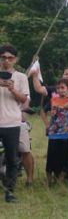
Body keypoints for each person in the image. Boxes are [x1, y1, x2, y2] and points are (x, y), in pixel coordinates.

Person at [0, 44, 30, 203]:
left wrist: (12, 89)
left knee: (12, 159)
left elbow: (24, 100)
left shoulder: (21, 77)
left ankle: (9, 192)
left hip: (12, 122)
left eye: (10, 58)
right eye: (3, 57)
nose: (6, 61)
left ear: (15, 59)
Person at [38, 78, 68, 183]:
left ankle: (60, 179)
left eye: (63, 88)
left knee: (63, 156)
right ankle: (49, 180)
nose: (60, 90)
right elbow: (42, 111)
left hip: (66, 133)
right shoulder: (54, 99)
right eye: (58, 88)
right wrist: (47, 124)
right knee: (51, 156)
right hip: (54, 133)